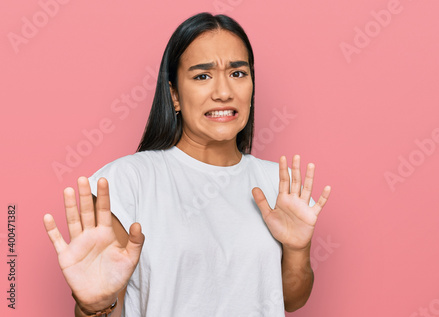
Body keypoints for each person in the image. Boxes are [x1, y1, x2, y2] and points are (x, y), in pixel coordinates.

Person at [43, 12, 331, 317]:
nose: (223, 93)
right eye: (202, 76)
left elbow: (290, 299)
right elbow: (106, 301)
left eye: (237, 73)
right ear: (174, 95)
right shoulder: (128, 182)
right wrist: (95, 305)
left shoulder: (279, 184)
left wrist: (298, 250)